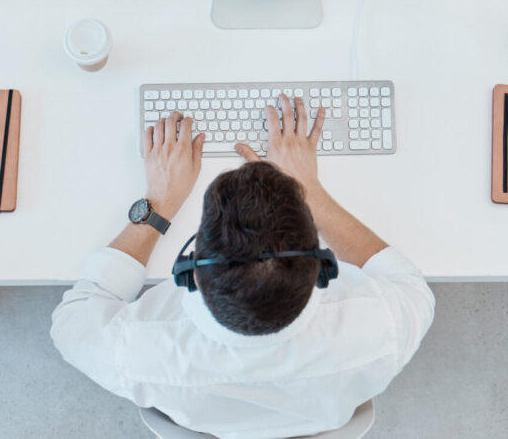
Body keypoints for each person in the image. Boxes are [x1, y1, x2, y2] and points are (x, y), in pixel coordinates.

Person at [50, 95, 434, 439]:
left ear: (191, 272)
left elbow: (74, 316)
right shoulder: (384, 327)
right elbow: (406, 281)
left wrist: (159, 203)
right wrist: (309, 191)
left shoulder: (136, 351)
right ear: (322, 269)